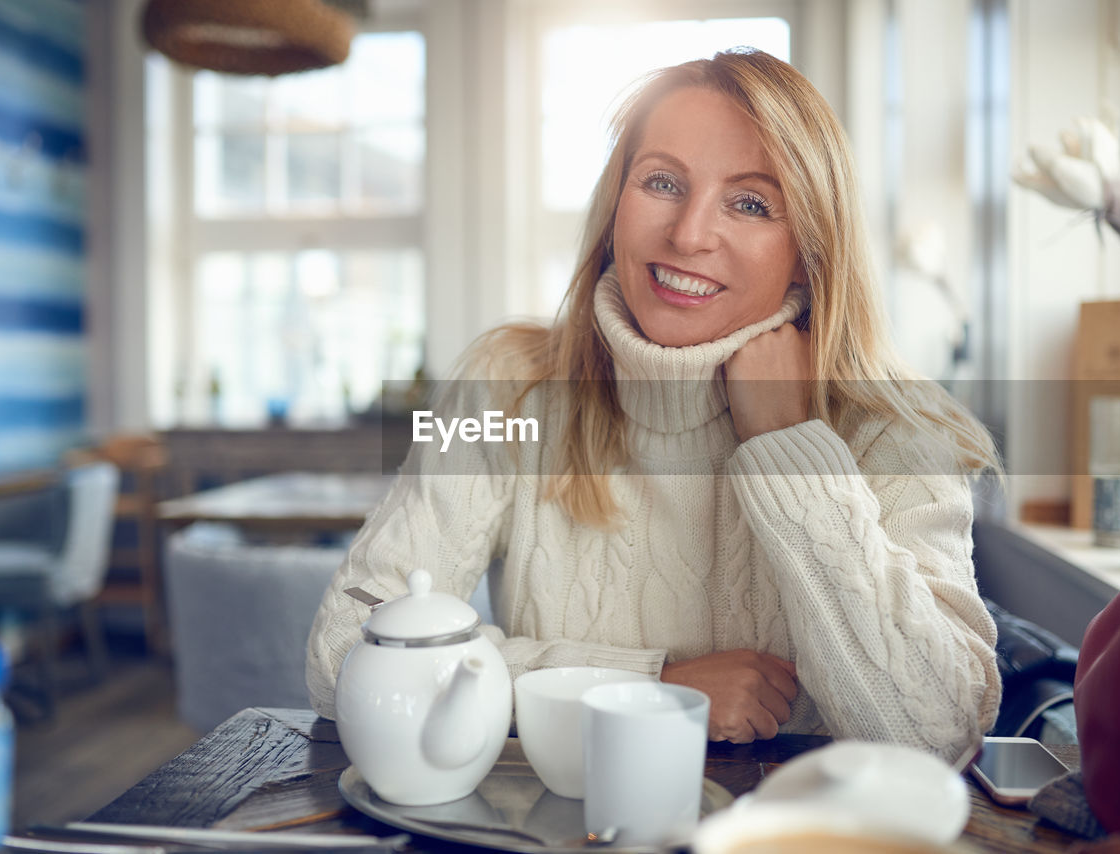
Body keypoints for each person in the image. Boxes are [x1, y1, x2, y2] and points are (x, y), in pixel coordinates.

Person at [307, 48, 1002, 760]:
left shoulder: (897, 428)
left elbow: (940, 733)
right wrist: (653, 690)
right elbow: (344, 658)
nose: (689, 233)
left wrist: (794, 449)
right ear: (615, 208)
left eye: (751, 203)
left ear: (810, 249)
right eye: (663, 182)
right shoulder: (509, 385)